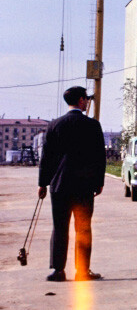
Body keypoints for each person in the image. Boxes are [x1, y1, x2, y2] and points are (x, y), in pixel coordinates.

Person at [38, 86, 106, 282]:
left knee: (59, 227)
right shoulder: (92, 126)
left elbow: (46, 158)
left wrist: (42, 184)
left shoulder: (54, 126)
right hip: (84, 187)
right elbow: (99, 158)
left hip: (59, 186)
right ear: (82, 101)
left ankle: (58, 271)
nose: (86, 103)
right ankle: (82, 271)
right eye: (86, 99)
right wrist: (98, 182)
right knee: (83, 228)